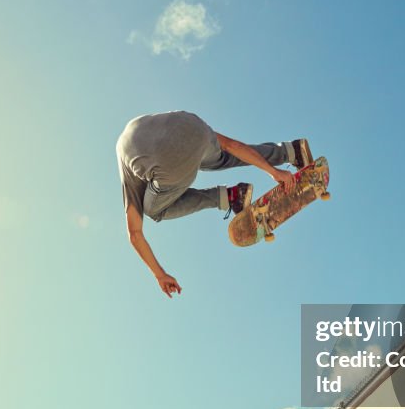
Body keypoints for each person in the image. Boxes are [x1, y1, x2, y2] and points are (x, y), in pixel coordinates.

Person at [117, 111, 313, 297]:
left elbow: (135, 234)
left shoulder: (129, 174)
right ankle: (292, 151)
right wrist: (274, 172)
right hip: (192, 124)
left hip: (171, 163)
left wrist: (159, 274)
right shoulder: (145, 126)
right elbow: (232, 145)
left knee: (152, 209)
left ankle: (230, 196)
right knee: (226, 155)